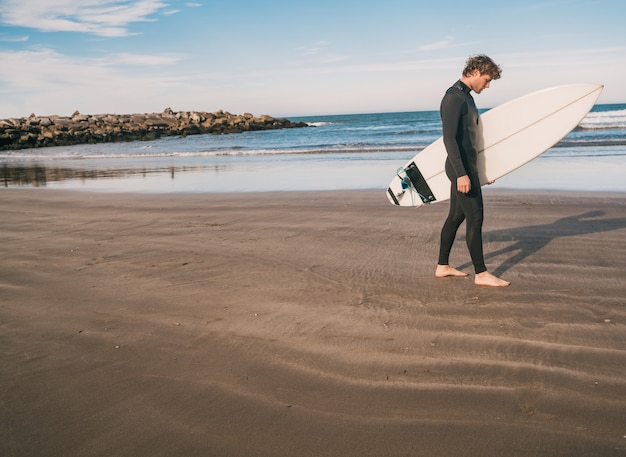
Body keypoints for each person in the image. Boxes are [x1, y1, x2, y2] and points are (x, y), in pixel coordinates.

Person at [435, 55, 510, 287]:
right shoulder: (453, 98)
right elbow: (450, 139)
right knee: (475, 218)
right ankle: (481, 274)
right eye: (487, 80)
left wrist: (484, 171)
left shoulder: (466, 97)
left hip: (468, 168)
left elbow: (473, 140)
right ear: (475, 71)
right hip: (461, 169)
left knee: (456, 216)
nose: (487, 86)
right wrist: (462, 174)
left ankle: (442, 266)